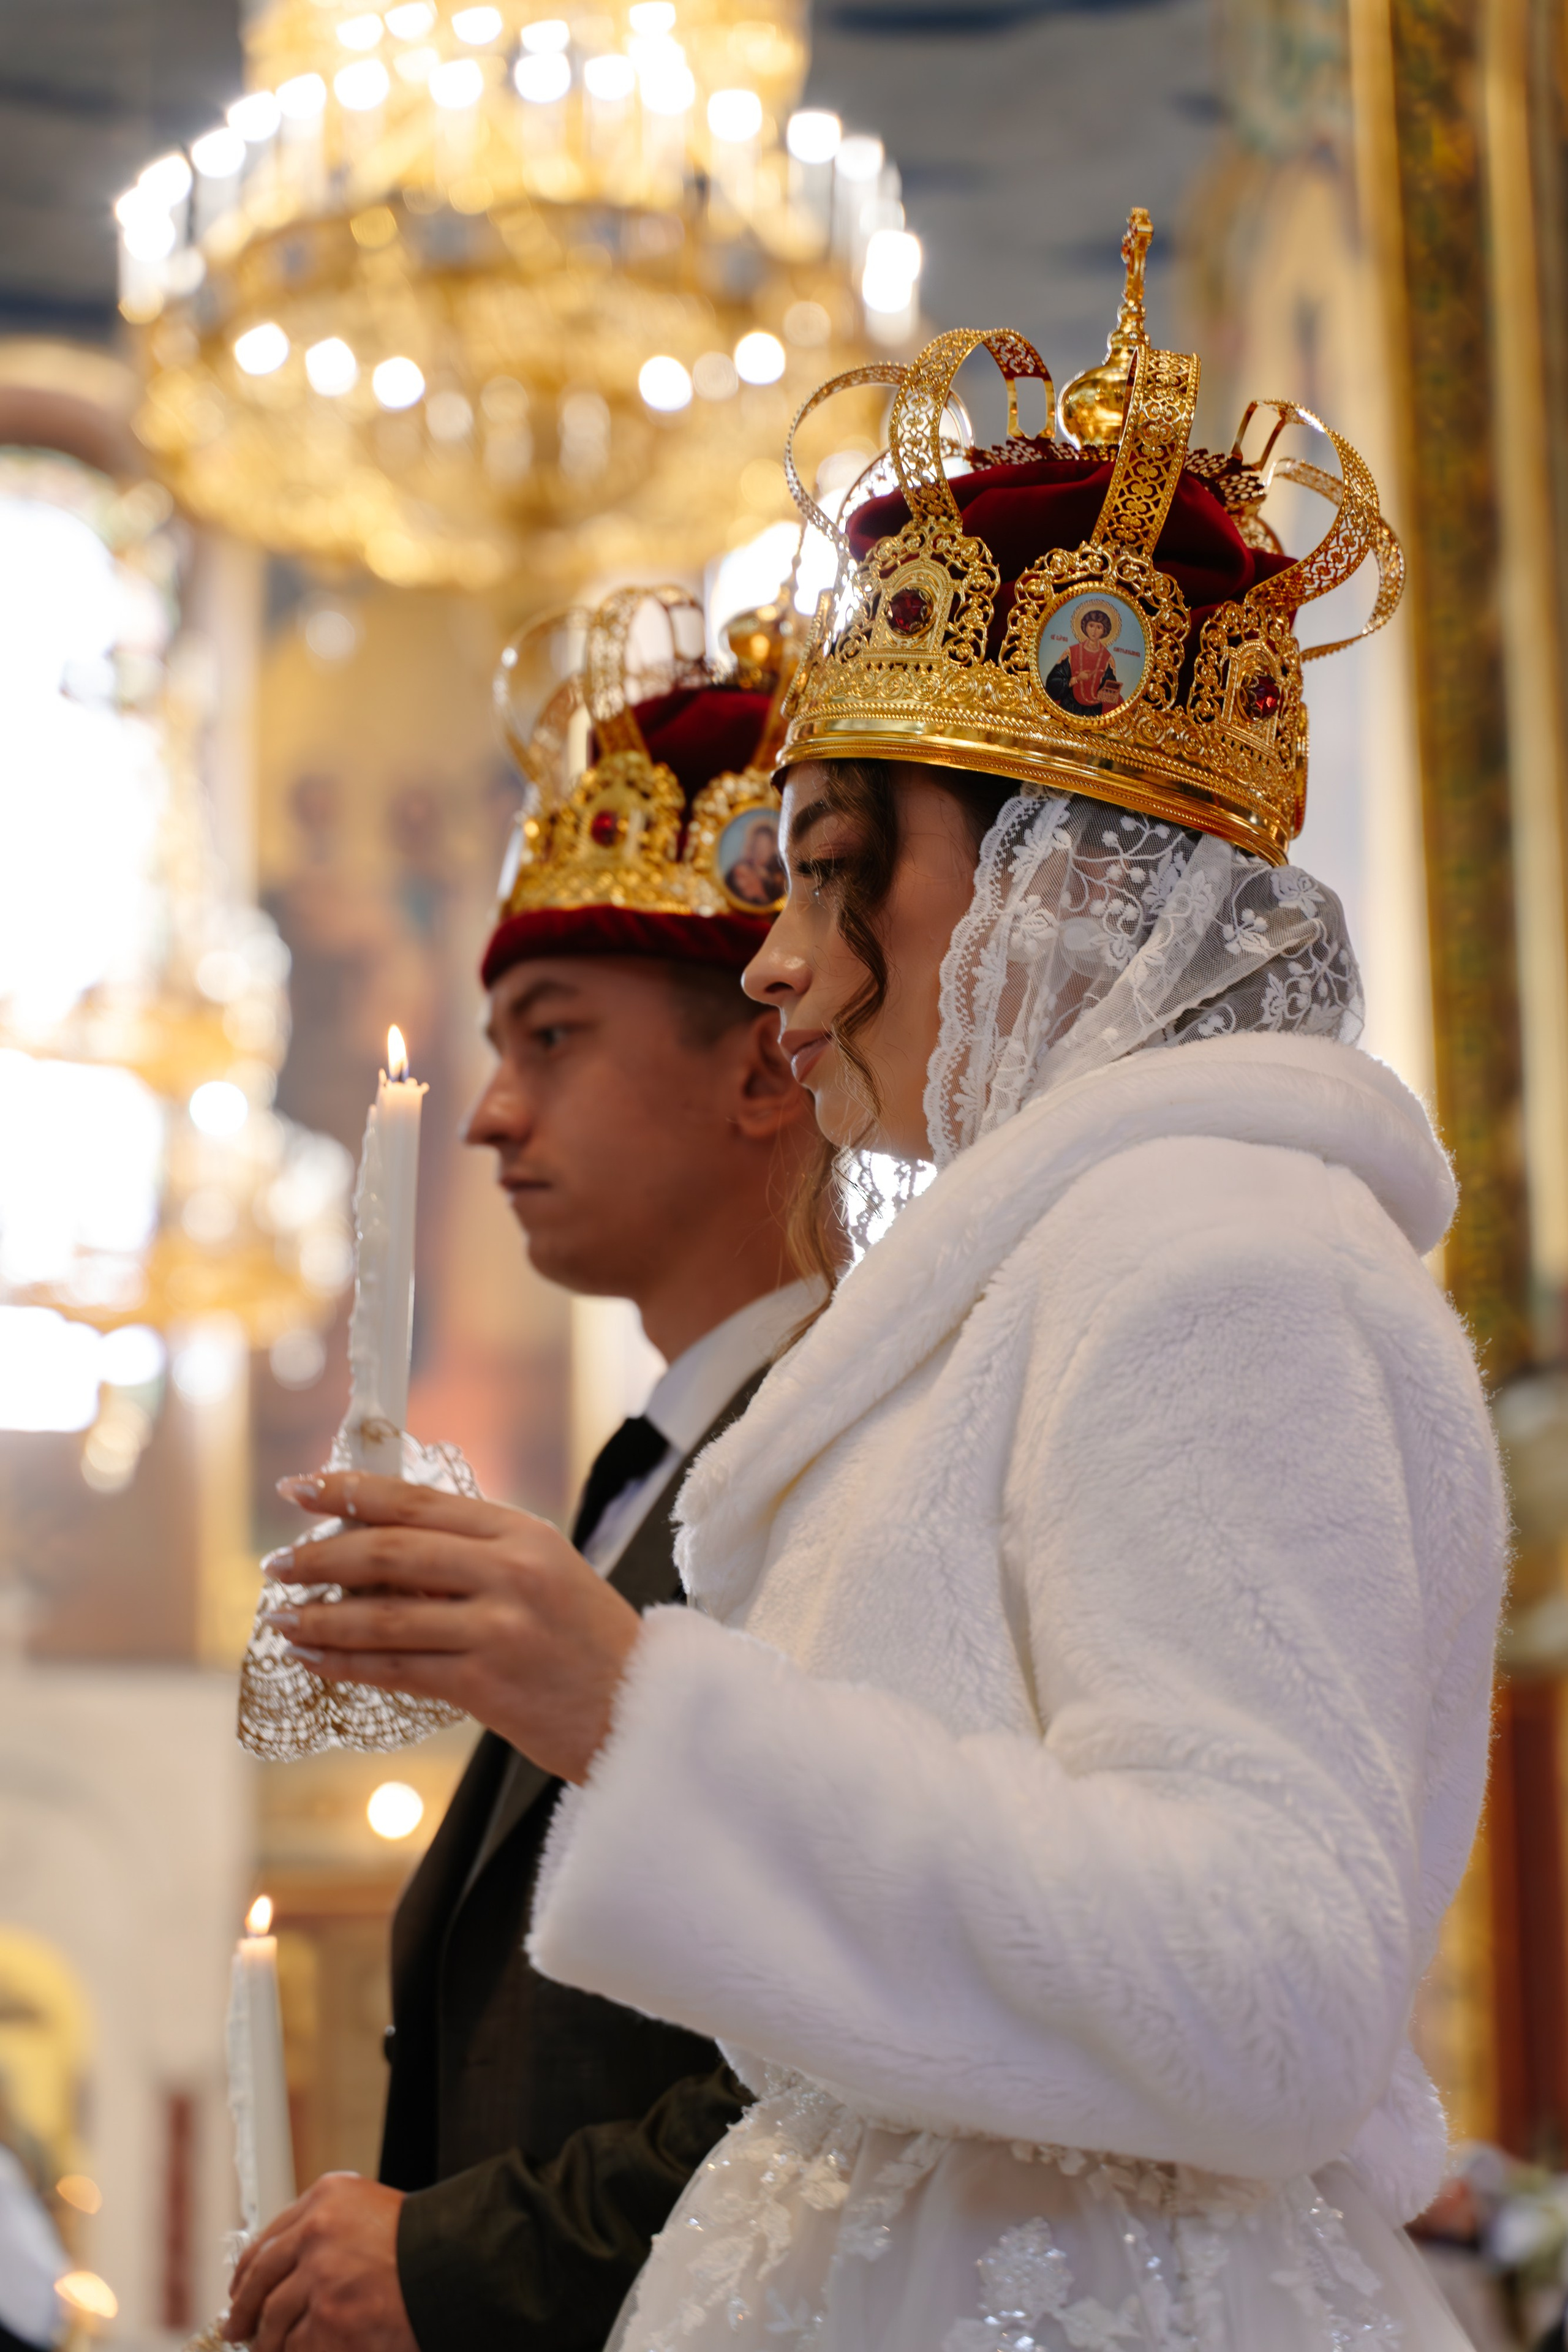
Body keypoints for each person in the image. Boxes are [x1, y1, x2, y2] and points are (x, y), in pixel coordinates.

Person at [258, 241, 1507, 2350]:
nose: (778, 957)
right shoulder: (1038, 1275)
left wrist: (639, 1712)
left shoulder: (1224, 1254)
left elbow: (1278, 1992)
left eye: (841, 869)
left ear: (1054, 883)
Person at [224, 589, 821, 2352]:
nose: (490, 1114)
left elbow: (837, 2058)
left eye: (551, 1036)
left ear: (764, 1068)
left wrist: (452, 2261)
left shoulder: (832, 1459)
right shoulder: (660, 1467)